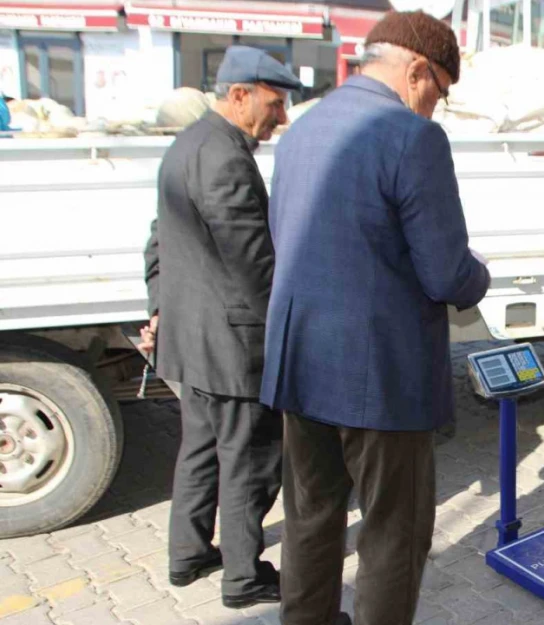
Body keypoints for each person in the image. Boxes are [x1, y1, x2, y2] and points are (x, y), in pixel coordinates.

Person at [260, 11, 490, 625]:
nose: (436, 108)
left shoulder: (302, 130)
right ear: (417, 71)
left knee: (310, 520)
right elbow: (445, 273)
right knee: (394, 533)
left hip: (300, 363)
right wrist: (482, 275)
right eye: (440, 91)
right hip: (382, 379)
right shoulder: (412, 137)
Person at [140, 45, 301, 609]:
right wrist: (290, 329)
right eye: (275, 104)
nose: (280, 117)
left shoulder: (186, 144)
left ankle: (187, 556)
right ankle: (243, 577)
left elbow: (158, 240)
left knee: (201, 449)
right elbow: (253, 263)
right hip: (233, 347)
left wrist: (161, 308)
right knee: (250, 460)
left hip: (191, 341)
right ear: (239, 95)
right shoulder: (226, 156)